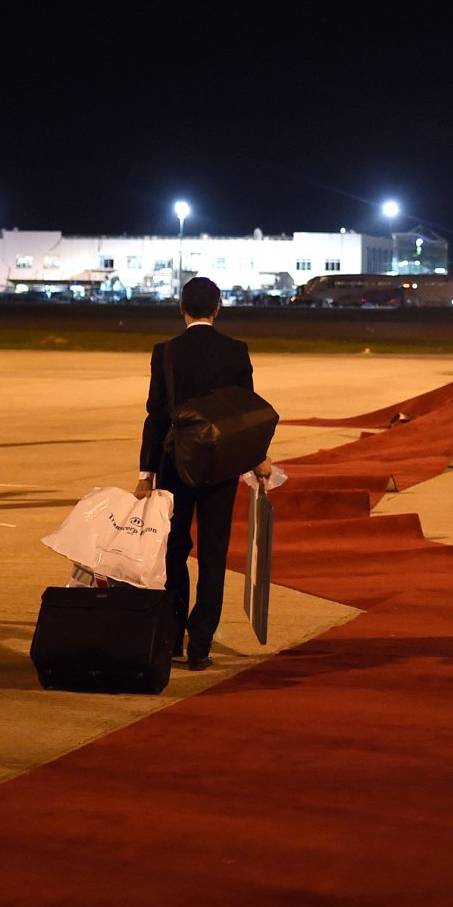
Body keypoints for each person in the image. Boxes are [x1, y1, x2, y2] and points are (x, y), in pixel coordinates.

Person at [135, 276, 264, 671]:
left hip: (176, 464)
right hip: (221, 466)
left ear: (181, 308)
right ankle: (201, 645)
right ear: (218, 307)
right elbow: (246, 414)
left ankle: (173, 636)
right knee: (213, 553)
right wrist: (257, 459)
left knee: (175, 551)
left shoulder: (166, 352)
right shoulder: (236, 351)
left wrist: (146, 471)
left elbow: (156, 414)